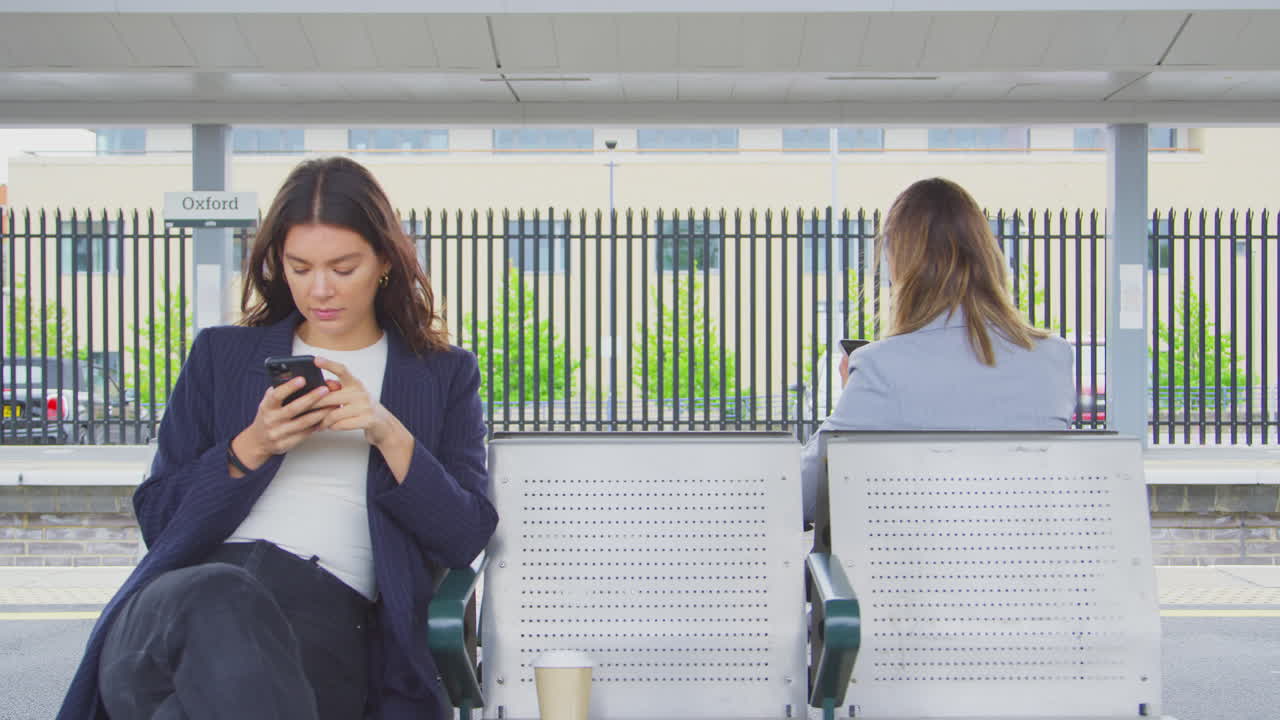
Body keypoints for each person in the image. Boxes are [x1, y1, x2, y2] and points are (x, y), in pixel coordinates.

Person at [58, 157, 498, 720]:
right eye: (299, 266)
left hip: (323, 623)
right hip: (177, 610)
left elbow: (464, 538)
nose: (320, 289)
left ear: (385, 260)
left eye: (343, 268)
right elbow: (159, 521)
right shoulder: (221, 356)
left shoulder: (439, 373)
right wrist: (252, 447)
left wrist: (387, 431)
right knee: (222, 595)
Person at [800, 177, 1075, 527]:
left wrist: (850, 397)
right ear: (988, 255)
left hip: (922, 573)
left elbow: (803, 496)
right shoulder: (1053, 358)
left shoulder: (882, 368)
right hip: (1029, 570)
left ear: (900, 263)